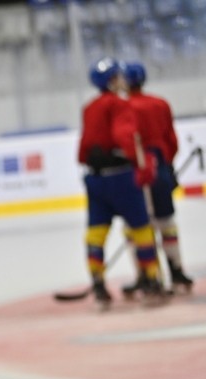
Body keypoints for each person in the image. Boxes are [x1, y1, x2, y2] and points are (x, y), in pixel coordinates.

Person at [77, 57, 163, 308]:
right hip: (121, 177)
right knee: (141, 229)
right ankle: (151, 280)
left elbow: (83, 150)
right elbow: (125, 136)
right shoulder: (119, 104)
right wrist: (140, 163)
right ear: (112, 80)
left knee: (96, 233)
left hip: (95, 179)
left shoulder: (89, 107)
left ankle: (98, 285)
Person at [121, 60, 194, 296]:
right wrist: (165, 165)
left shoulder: (123, 107)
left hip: (136, 171)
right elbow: (171, 140)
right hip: (161, 168)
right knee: (166, 221)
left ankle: (147, 275)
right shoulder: (160, 104)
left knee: (136, 225)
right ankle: (176, 270)